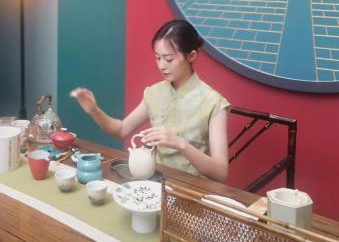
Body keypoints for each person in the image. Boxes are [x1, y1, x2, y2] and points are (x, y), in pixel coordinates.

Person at [71, 20, 230, 182]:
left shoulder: (214, 102)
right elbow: (121, 130)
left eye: (169, 59)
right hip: (156, 181)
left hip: (193, 188)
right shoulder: (154, 93)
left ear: (191, 56)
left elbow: (221, 172)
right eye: (158, 58)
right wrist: (94, 110)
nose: (161, 66)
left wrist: (181, 144)